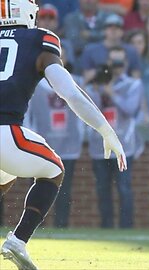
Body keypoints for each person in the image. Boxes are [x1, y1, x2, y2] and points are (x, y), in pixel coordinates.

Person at [0, 1, 126, 269]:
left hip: (6, 137)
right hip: (6, 131)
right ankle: (18, 240)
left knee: (5, 176)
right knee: (54, 170)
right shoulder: (39, 39)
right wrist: (105, 129)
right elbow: (69, 92)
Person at [24, 48, 85, 228]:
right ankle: (34, 227)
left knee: (64, 190)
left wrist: (79, 137)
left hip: (68, 145)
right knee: (37, 186)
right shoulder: (33, 85)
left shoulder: (75, 83)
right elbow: (28, 116)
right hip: (41, 145)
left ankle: (61, 225)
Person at [86, 46, 143, 228]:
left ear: (126, 63)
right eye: (113, 63)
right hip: (99, 145)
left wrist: (112, 94)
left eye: (120, 62)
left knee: (124, 189)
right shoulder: (98, 84)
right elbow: (87, 109)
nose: (117, 67)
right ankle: (106, 227)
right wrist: (96, 87)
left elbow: (131, 110)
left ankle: (127, 226)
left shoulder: (133, 84)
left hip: (124, 144)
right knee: (102, 189)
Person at [81, 13, 142, 83]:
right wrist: (103, 69)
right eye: (109, 27)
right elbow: (85, 78)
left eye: (117, 27)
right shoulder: (91, 50)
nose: (113, 30)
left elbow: (136, 79)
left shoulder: (131, 51)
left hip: (124, 89)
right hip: (97, 88)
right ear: (104, 30)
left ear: (122, 31)